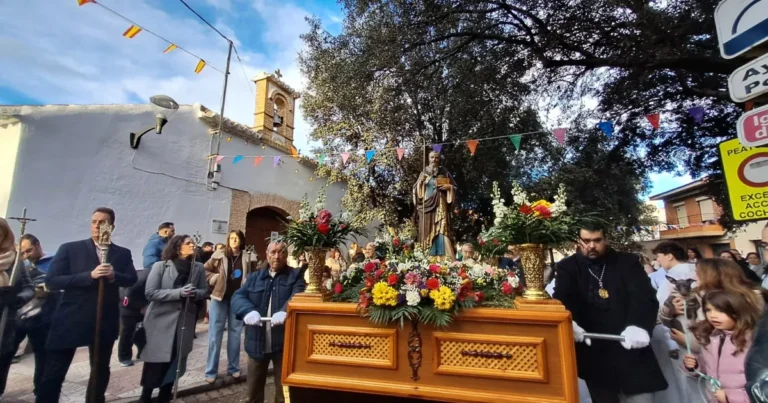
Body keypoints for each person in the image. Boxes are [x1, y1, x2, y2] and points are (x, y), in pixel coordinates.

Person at [554, 224, 667, 402]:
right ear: (578, 241)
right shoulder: (567, 267)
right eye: (586, 241)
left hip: (631, 350)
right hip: (595, 354)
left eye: (597, 240)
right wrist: (571, 323)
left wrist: (638, 326)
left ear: (606, 239)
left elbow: (643, 297)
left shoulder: (628, 262)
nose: (592, 246)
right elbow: (564, 299)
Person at [37, 207, 137, 403]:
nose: (97, 226)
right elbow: (53, 281)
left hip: (104, 320)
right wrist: (89, 276)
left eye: (102, 223)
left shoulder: (122, 253)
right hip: (71, 318)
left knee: (100, 370)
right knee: (54, 372)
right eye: (94, 222)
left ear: (111, 227)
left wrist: (114, 275)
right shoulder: (70, 249)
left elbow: (131, 279)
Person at [232, 240, 306, 403]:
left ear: (286, 255)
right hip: (256, 342)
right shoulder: (254, 277)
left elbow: (298, 295)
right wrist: (247, 310)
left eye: (281, 252)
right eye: (273, 252)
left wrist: (285, 310)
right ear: (267, 255)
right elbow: (238, 296)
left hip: (283, 344)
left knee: (284, 393)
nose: (277, 256)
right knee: (253, 393)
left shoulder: (295, 276)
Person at [139, 235, 208, 402]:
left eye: (193, 243)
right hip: (160, 322)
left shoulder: (198, 267)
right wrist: (179, 293)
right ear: (177, 247)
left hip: (183, 321)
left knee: (175, 361)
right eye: (188, 243)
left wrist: (195, 293)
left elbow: (204, 291)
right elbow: (151, 292)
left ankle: (165, 396)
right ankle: (145, 397)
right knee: (155, 362)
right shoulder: (161, 266)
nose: (192, 245)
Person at [684, 290, 759, 403]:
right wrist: (695, 366)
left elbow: (762, 387)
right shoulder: (711, 336)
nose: (712, 315)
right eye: (708, 310)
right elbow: (709, 368)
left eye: (720, 310)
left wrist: (730, 397)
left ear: (737, 311)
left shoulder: (753, 341)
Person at [204, 230, 258, 383]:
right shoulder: (219, 255)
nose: (234, 241)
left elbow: (255, 275)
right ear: (228, 240)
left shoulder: (248, 257)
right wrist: (215, 278)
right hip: (219, 298)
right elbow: (205, 270)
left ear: (242, 240)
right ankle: (211, 371)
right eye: (232, 238)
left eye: (237, 238)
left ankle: (233, 368)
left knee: (235, 334)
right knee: (215, 335)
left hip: (238, 299)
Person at [4, 234, 55, 395]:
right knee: (6, 353)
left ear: (38, 245)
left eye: (29, 251)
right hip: (17, 317)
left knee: (43, 356)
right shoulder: (17, 265)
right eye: (23, 252)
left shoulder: (53, 262)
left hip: (41, 317)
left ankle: (40, 389)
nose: (26, 256)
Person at [0, 219, 35, 400]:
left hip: (6, 319)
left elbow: (29, 288)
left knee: (2, 358)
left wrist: (17, 298)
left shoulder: (15, 261)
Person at [412, 151, 457, 258]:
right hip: (426, 204)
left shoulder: (445, 172)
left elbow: (454, 187)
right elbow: (415, 190)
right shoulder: (423, 172)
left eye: (436, 158)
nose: (434, 160)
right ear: (428, 159)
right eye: (432, 157)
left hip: (440, 203)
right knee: (426, 227)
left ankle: (445, 256)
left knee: (442, 226)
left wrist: (449, 187)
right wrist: (420, 184)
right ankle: (427, 256)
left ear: (439, 159)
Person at [118, 265, 149, 367]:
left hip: (139, 304)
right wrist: (142, 306)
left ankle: (142, 351)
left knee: (142, 331)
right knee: (127, 333)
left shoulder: (148, 275)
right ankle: (124, 357)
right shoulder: (140, 280)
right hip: (127, 307)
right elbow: (127, 298)